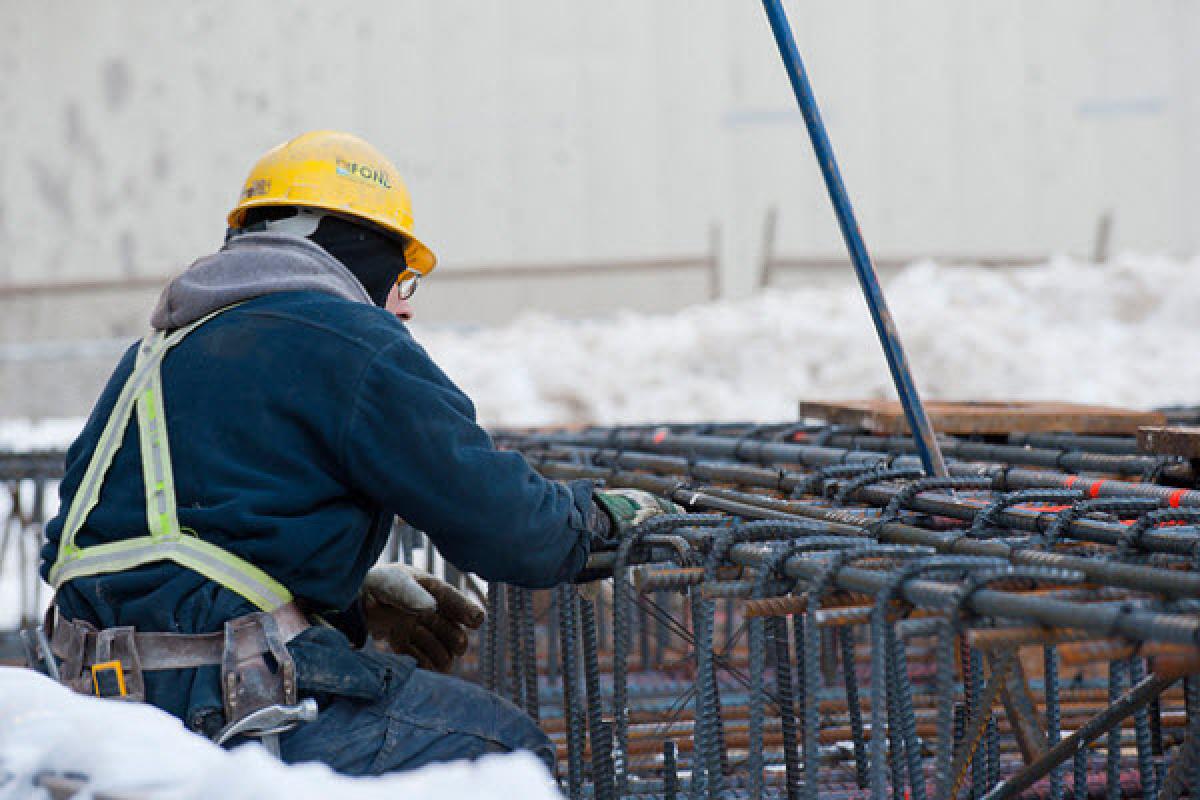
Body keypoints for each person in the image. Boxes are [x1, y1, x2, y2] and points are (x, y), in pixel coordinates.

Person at [37, 130, 680, 775]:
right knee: (502, 756)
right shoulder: (347, 339)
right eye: (401, 278)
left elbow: (136, 535)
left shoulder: (161, 350)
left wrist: (329, 598)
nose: (402, 305)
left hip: (100, 701)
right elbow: (508, 526)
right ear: (358, 248)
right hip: (217, 702)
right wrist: (601, 520)